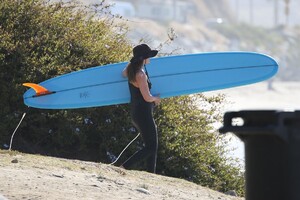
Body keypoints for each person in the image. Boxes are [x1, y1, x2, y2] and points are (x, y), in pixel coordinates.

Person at [121, 44, 161, 173]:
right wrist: (156, 99)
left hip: (136, 112)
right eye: (148, 56)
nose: (150, 58)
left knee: (151, 145)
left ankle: (151, 174)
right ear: (143, 58)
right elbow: (147, 97)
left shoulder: (131, 70)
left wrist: (133, 61)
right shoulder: (140, 75)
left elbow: (123, 74)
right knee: (151, 147)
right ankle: (124, 167)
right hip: (143, 112)